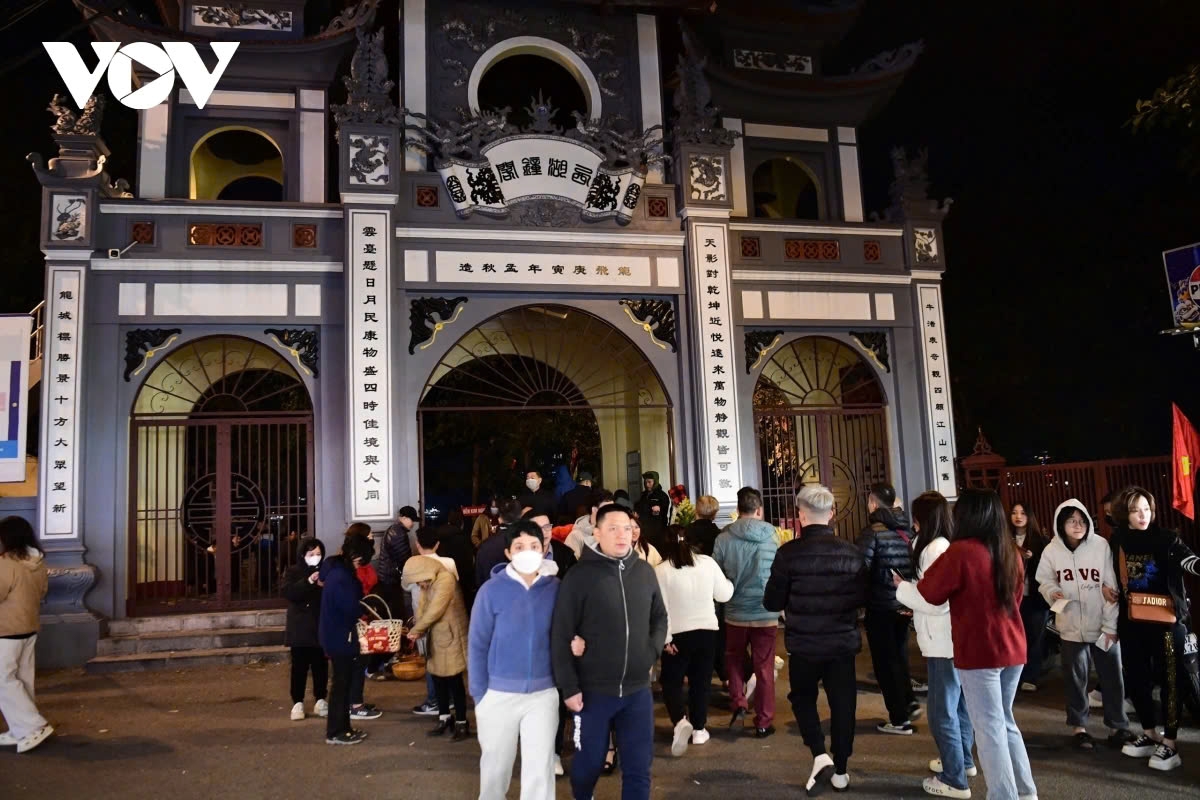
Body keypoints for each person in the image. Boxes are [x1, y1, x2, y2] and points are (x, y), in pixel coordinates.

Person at [898, 489, 1036, 800]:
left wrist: (902, 587)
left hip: (979, 649)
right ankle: (1026, 792)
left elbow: (930, 593)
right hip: (1013, 645)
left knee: (988, 729)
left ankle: (1004, 796)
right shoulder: (1010, 551)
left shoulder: (962, 552)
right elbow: (1015, 600)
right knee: (1005, 722)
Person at [551, 504, 668, 800]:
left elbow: (659, 616)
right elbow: (561, 634)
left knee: (639, 768)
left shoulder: (644, 572)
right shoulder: (579, 576)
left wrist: (651, 651)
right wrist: (569, 687)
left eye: (626, 528)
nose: (621, 535)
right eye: (613, 528)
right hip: (593, 692)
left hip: (637, 691)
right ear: (597, 532)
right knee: (587, 765)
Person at [764, 485, 866, 796]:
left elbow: (772, 601)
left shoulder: (788, 554)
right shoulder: (852, 553)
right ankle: (841, 770)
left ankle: (819, 754)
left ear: (801, 515)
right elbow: (863, 598)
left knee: (802, 698)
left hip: (804, 644)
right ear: (831, 514)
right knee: (843, 704)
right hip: (841, 644)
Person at [470, 519, 562, 799]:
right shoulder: (491, 591)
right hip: (497, 694)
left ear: (543, 549)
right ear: (508, 553)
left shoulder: (556, 589)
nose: (527, 551)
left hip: (543, 694)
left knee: (540, 769)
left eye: (534, 545)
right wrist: (480, 694)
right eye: (519, 546)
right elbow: (477, 644)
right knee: (495, 769)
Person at [1109, 487, 1200, 772]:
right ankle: (1149, 734)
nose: (1142, 515)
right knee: (1137, 678)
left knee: (1172, 679)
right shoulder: (1118, 539)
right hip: (1132, 621)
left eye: (1146, 509)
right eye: (1135, 510)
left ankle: (1170, 742)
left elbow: (1188, 560)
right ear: (1124, 514)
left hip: (1168, 623)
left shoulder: (1167, 538)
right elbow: (1109, 573)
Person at [896, 493, 976, 799]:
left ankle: (955, 779)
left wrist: (903, 589)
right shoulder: (943, 545)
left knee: (942, 712)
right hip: (950, 639)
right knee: (958, 706)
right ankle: (962, 761)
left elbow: (935, 600)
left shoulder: (934, 549)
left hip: (943, 642)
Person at [1035, 499, 1132, 751]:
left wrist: (1110, 626)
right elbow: (1044, 580)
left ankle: (1117, 726)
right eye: (1071, 521)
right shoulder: (1051, 550)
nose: (1078, 525)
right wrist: (1053, 592)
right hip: (1070, 625)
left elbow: (1111, 587)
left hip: (1102, 624)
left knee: (1112, 677)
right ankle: (1079, 727)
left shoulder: (1100, 546)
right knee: (1075, 679)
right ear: (1061, 524)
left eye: (1081, 520)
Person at [654, 524, 733, 757]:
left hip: (677, 635)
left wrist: (665, 639)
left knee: (671, 682)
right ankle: (699, 729)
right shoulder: (707, 563)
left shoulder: (661, 571)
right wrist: (730, 582)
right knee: (701, 682)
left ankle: (680, 721)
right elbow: (724, 594)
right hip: (707, 632)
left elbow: (660, 609)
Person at [713, 486, 780, 737]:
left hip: (735, 611)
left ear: (737, 509)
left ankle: (739, 702)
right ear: (759, 509)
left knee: (733, 659)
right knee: (764, 666)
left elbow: (717, 574)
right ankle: (763, 721)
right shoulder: (772, 535)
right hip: (765, 611)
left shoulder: (723, 538)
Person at [856, 482, 920, 734]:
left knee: (885, 663)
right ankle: (908, 702)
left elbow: (860, 568)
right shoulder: (908, 531)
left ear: (873, 503)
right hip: (904, 603)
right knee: (899, 657)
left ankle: (899, 718)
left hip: (880, 605)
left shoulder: (872, 533)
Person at [404, 554, 471, 741]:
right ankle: (444, 718)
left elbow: (436, 609)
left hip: (451, 637)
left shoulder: (445, 579)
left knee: (454, 680)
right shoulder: (429, 582)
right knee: (437, 678)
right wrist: (418, 627)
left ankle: (462, 722)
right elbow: (423, 607)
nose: (419, 585)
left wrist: (418, 629)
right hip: (435, 636)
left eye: (418, 580)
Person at [0, 516, 51, 753]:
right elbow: (42, 591)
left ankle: (33, 726)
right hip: (29, 627)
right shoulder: (37, 562)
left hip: (6, 629)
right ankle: (19, 729)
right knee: (23, 678)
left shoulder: (6, 563)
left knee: (4, 681)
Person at [318, 533, 375, 745]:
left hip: (337, 635)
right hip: (341, 637)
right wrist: (362, 608)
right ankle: (336, 732)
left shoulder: (337, 572)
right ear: (355, 556)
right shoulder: (342, 577)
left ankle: (344, 728)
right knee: (341, 686)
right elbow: (350, 607)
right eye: (360, 561)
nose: (360, 565)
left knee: (342, 685)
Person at [283, 537, 329, 721]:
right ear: (303, 555)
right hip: (300, 626)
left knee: (321, 665)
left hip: (320, 625)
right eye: (311, 554)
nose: (315, 557)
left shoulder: (326, 570)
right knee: (299, 666)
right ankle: (297, 702)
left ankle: (320, 699)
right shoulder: (293, 571)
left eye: (318, 554)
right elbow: (290, 593)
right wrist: (309, 581)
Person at [1008, 502, 1050, 693]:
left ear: (1029, 516)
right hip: (1011, 597)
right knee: (1015, 637)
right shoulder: (1005, 538)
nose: (1018, 516)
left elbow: (1048, 569)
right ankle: (1015, 675)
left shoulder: (1040, 541)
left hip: (1035, 596)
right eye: (1014, 513)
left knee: (1035, 637)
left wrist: (1033, 559)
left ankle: (1031, 676)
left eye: (1023, 513)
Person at [477, 499, 524, 588]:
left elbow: (480, 580)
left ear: (499, 519)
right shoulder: (528, 544)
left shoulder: (485, 546)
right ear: (520, 516)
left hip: (491, 593)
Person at [435, 509, 477, 608]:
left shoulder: (437, 535)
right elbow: (468, 562)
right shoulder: (463, 538)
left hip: (440, 578)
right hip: (460, 579)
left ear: (449, 522)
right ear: (461, 523)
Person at [564, 489, 614, 559]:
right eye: (606, 509)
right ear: (594, 510)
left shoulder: (615, 531)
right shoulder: (576, 536)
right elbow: (571, 564)